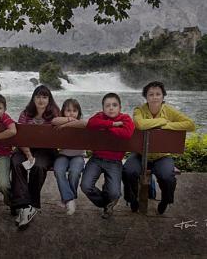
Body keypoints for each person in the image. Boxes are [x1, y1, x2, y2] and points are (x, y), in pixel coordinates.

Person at [122, 81, 195, 215]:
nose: (154, 97)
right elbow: (139, 124)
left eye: (158, 94)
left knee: (167, 176)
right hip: (140, 155)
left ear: (163, 96)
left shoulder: (169, 110)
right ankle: (132, 200)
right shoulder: (139, 110)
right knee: (128, 171)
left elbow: (190, 125)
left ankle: (166, 200)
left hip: (162, 156)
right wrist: (162, 121)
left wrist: (167, 126)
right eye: (151, 94)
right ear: (146, 97)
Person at [11, 85, 60, 230]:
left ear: (49, 99)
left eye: (44, 97)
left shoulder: (55, 115)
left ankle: (30, 205)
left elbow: (59, 133)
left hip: (46, 151)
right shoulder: (25, 114)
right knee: (16, 162)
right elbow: (21, 137)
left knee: (39, 166)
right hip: (26, 148)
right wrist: (28, 154)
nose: (41, 100)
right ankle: (24, 205)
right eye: (38, 96)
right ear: (33, 98)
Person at [81, 93, 135, 218]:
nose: (111, 108)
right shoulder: (99, 116)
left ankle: (110, 198)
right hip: (96, 159)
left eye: (114, 105)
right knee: (86, 186)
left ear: (120, 107)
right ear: (103, 108)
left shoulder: (125, 118)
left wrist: (106, 127)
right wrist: (113, 124)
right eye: (107, 106)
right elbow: (91, 124)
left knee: (114, 193)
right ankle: (105, 203)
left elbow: (126, 133)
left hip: (114, 161)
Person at [52, 99, 87, 215]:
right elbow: (54, 120)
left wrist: (67, 124)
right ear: (63, 112)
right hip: (63, 155)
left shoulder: (80, 123)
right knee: (58, 170)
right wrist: (67, 120)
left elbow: (84, 123)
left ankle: (66, 199)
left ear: (79, 112)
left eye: (74, 111)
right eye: (68, 111)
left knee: (75, 172)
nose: (71, 113)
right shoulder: (60, 121)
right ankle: (70, 199)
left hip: (78, 156)